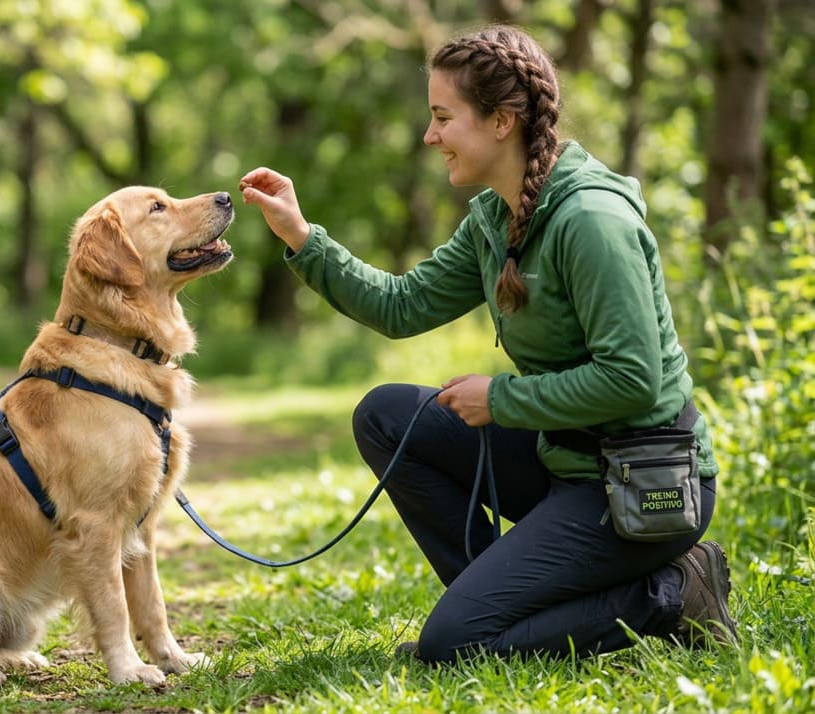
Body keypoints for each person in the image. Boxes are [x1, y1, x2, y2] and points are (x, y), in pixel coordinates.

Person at [238, 24, 737, 664]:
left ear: (501, 121)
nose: (429, 135)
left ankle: (672, 592)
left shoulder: (592, 222)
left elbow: (633, 380)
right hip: (563, 457)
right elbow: (402, 304)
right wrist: (303, 236)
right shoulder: (494, 219)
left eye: (443, 117)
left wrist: (500, 399)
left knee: (453, 645)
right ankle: (506, 597)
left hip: (638, 482)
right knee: (390, 416)